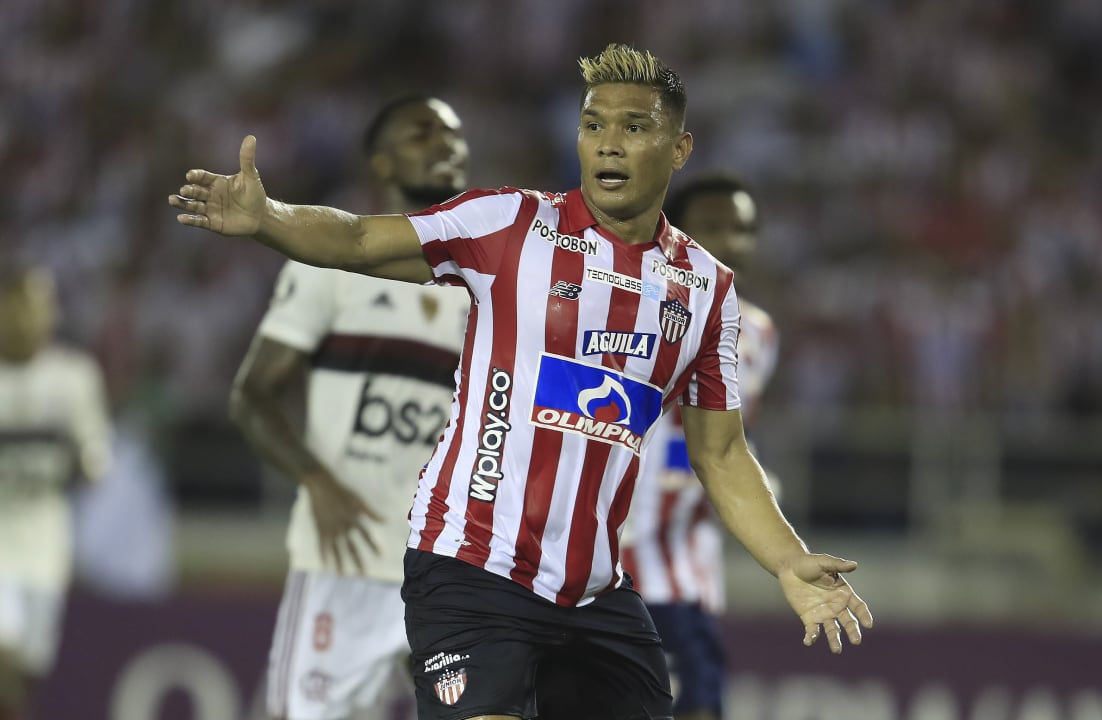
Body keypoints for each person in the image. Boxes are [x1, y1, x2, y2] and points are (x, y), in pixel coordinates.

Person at [171, 43, 872, 720]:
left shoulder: (705, 291)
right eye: (593, 125)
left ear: (678, 150)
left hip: (595, 592)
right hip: (471, 565)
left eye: (634, 128)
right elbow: (358, 238)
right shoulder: (511, 224)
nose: (608, 145)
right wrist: (268, 220)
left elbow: (720, 452)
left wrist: (787, 560)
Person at [227, 95, 473, 720]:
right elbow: (253, 395)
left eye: (453, 134)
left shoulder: (489, 288)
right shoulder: (327, 267)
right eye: (423, 133)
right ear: (381, 162)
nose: (445, 144)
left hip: (454, 565)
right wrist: (316, 480)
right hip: (351, 554)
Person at [619, 175, 778, 720]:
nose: (730, 242)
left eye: (743, 229)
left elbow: (731, 436)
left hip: (690, 567)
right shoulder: (630, 304)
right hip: (616, 560)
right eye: (712, 227)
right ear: (676, 230)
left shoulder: (758, 334)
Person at [0, 266, 112, 720]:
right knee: (3, 651)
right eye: (24, 305)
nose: (34, 317)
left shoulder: (74, 378)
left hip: (46, 543)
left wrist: (86, 461)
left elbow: (96, 461)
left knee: (27, 669)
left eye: (43, 306)